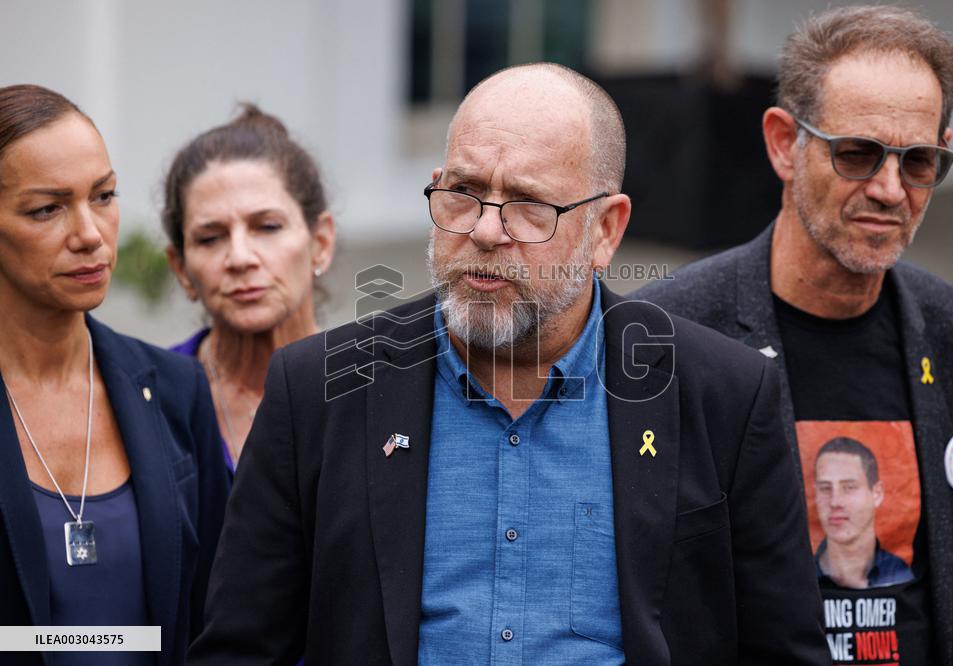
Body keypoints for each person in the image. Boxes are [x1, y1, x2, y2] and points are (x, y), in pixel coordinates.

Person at [188, 63, 828, 664]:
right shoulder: (322, 389)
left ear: (606, 231)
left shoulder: (723, 395)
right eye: (463, 193)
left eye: (529, 204)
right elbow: (242, 648)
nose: (486, 230)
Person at [633, 6, 953, 664]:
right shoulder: (664, 336)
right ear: (783, 144)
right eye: (858, 154)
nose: (891, 189)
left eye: (919, 162)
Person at [0, 85, 229, 665]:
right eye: (47, 208)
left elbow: (218, 618)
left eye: (103, 196)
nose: (90, 234)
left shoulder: (176, 390)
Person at [162, 106, 335, 473]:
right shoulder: (152, 401)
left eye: (267, 227)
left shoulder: (369, 392)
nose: (240, 258)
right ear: (181, 268)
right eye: (210, 238)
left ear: (320, 242)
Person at [813, 437, 913, 589]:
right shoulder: (799, 576)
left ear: (877, 494)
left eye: (849, 487)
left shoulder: (903, 576)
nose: (835, 502)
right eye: (825, 488)